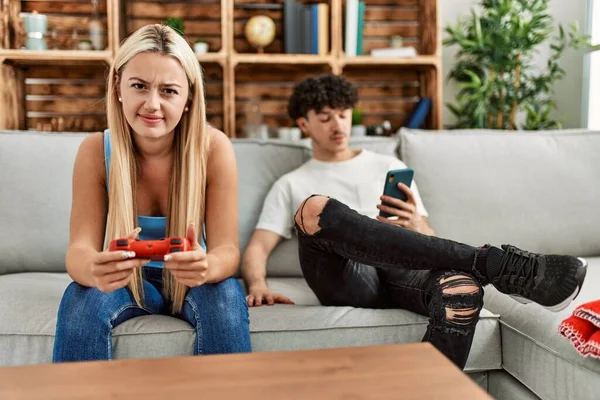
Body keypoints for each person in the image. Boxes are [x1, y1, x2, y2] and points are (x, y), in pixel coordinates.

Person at [241, 73, 588, 369]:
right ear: (304, 124)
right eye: (325, 117)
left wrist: (415, 223)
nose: (338, 125)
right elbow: (258, 246)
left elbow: (429, 239)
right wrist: (257, 284)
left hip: (404, 268)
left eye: (344, 114)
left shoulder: (385, 165)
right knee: (316, 207)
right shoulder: (291, 183)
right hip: (347, 277)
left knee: (461, 290)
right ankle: (496, 264)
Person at [52, 24, 251, 362]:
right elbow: (79, 250)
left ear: (189, 97)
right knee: (79, 297)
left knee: (225, 297)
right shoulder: (94, 151)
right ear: (118, 87)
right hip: (127, 277)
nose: (152, 104)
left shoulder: (214, 148)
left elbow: (227, 250)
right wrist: (94, 269)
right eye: (139, 86)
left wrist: (207, 265)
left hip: (191, 278)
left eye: (169, 91)